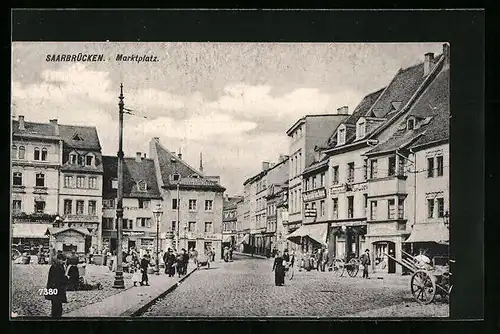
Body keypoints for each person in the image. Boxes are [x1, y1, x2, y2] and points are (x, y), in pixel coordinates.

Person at [45, 253, 68, 317]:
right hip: (55, 289)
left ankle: (56, 316)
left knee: (57, 305)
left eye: (63, 260)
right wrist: (66, 278)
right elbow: (57, 279)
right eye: (61, 260)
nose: (62, 261)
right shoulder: (55, 267)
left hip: (57, 289)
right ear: (58, 259)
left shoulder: (58, 266)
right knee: (56, 305)